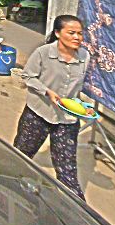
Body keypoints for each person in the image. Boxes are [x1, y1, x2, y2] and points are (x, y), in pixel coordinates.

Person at [13, 14, 89, 200]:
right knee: (21, 154)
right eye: (71, 32)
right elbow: (28, 76)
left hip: (67, 119)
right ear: (57, 33)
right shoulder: (43, 53)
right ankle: (10, 186)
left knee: (67, 171)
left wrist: (83, 107)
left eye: (80, 33)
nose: (77, 37)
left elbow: (76, 90)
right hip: (38, 114)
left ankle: (79, 211)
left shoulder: (84, 56)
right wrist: (47, 92)